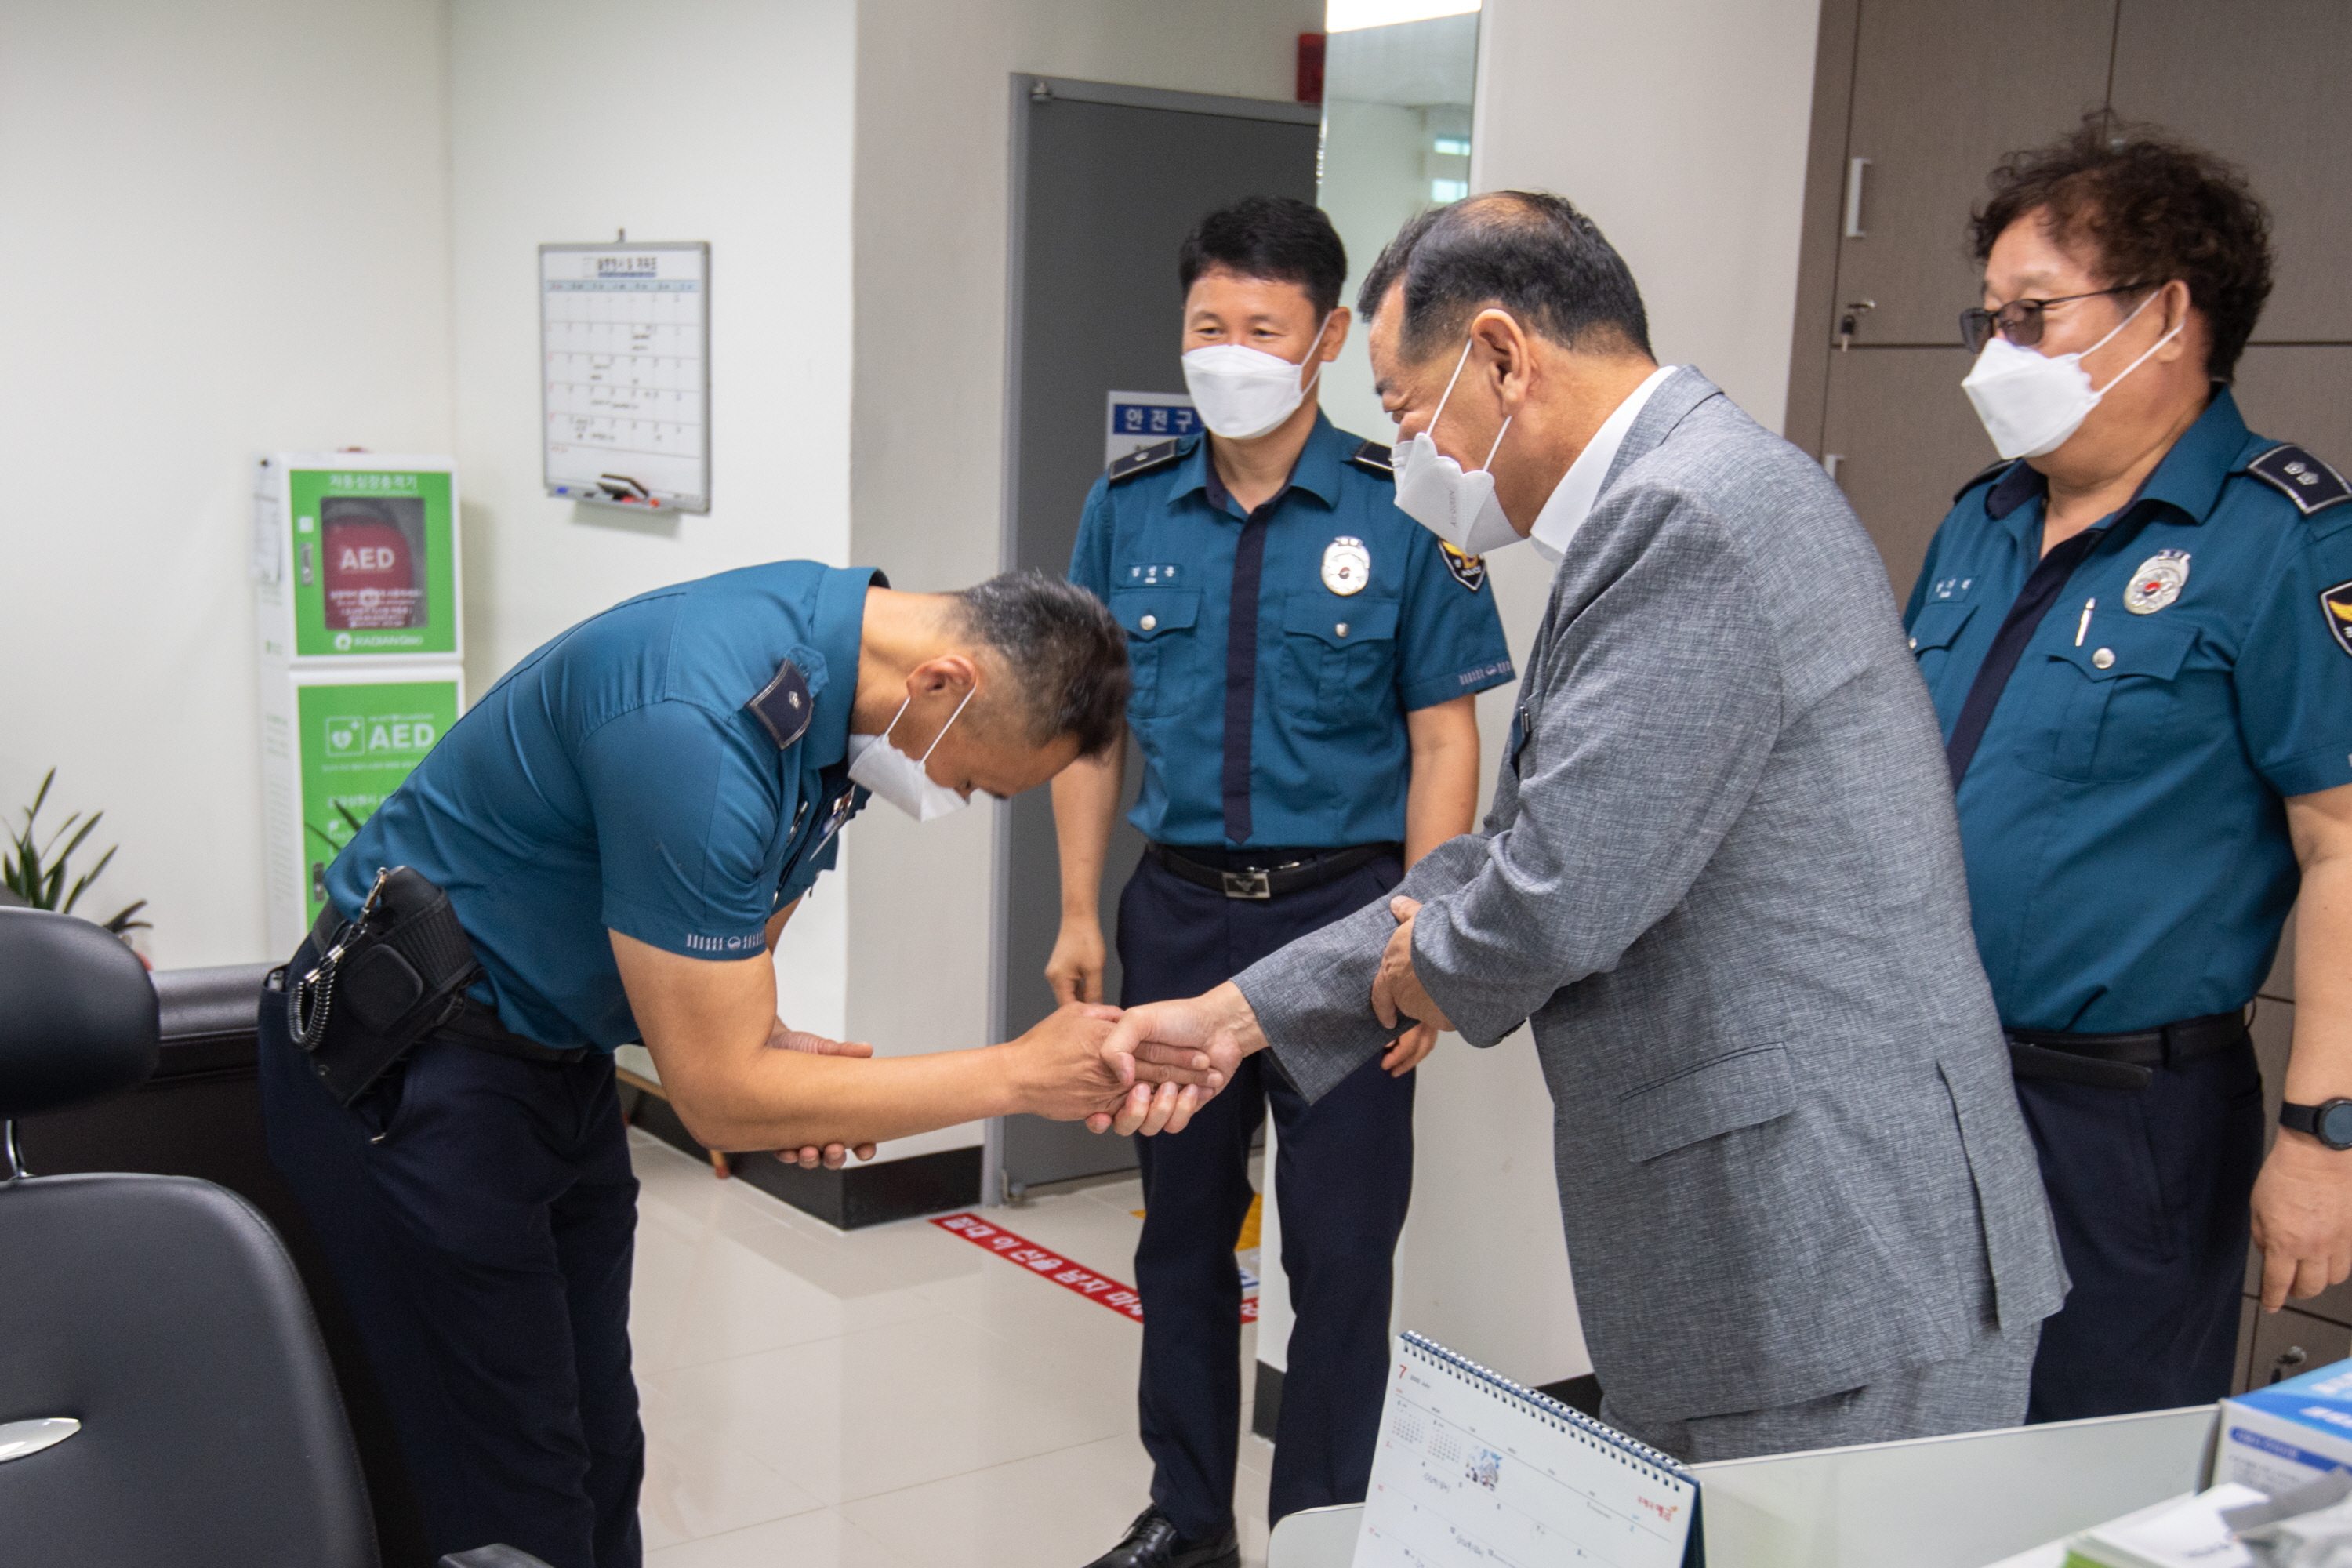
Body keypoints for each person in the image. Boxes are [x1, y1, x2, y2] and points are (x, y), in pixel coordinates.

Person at [1103, 191, 2071, 1464]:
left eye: (1408, 408)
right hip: (1784, 1242)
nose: (1414, 451)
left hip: (1835, 1249)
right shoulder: (1673, 501)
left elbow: (1558, 893)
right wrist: (1238, 1018)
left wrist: (1413, 970)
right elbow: (1518, 844)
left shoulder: (1690, 516)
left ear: (1502, 357)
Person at [256, 563, 1219, 1568]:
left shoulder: (843, 708)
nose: (959, 798)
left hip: (555, 1057)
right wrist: (1019, 1075)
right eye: (978, 780)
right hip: (414, 1069)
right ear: (943, 682)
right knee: (511, 1484)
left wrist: (786, 1073)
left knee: (599, 1442)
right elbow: (718, 1095)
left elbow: (738, 972)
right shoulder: (699, 723)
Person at [1059, 195, 1512, 1568]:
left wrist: (1425, 939)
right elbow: (1090, 731)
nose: (1230, 352)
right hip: (1177, 911)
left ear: (1324, 341)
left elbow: (1445, 738)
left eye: (1263, 328)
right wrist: (1078, 912)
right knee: (1180, 1242)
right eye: (1208, 325)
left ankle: (1324, 1529)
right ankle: (1188, 1517)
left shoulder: (1407, 505)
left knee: (1342, 1257)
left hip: (1349, 925)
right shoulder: (1126, 509)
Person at [1907, 118, 2352, 1421]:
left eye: (2032, 316)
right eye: (1988, 318)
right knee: (1903, 1463)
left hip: (2122, 1123)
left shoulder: (2281, 538)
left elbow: (2341, 844)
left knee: (2086, 1467)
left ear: (2165, 315)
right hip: (1929, 1087)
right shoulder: (1981, 520)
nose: (1998, 354)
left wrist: (2323, 1138)